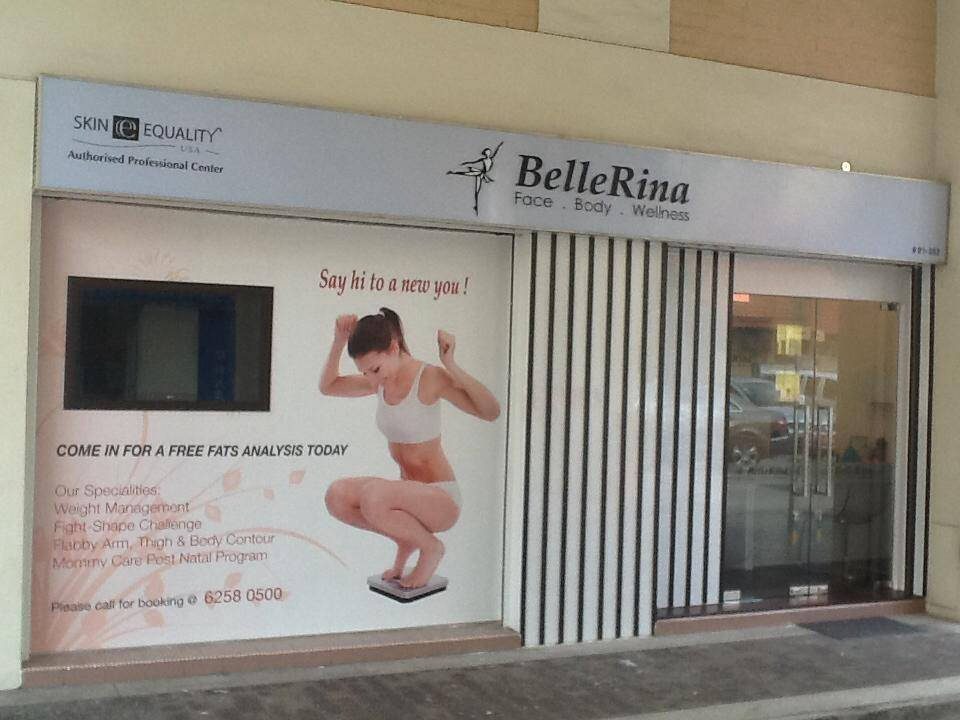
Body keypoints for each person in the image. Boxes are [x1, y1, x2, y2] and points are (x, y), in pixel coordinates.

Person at [320, 308, 500, 589]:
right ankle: (406, 537)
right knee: (337, 496)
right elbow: (329, 386)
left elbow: (491, 412)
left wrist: (450, 364)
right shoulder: (381, 381)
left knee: (374, 496)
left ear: (393, 348)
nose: (372, 380)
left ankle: (431, 548)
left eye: (375, 369)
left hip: (440, 500)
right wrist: (338, 342)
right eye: (365, 372)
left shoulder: (429, 378)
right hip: (404, 501)